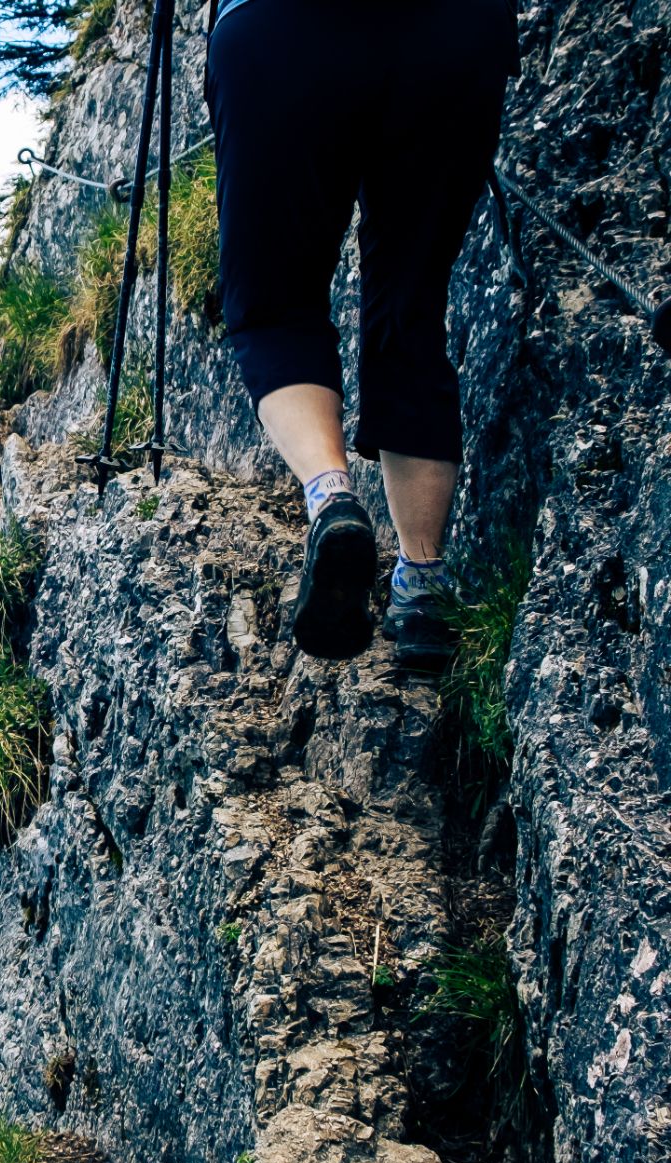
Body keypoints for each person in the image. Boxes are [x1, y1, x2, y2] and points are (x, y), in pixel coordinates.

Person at [204, 0, 520, 669]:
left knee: (273, 307)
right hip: (455, 35)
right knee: (411, 306)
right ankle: (422, 587)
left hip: (279, 29)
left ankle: (332, 497)